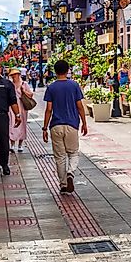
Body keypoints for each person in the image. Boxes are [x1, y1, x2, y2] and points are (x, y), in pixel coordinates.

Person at [42, 60, 88, 194]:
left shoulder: (51, 87)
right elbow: (79, 106)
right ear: (68, 69)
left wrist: (45, 128)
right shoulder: (74, 85)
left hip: (56, 126)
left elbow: (48, 109)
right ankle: (70, 173)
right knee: (73, 153)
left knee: (60, 157)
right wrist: (84, 122)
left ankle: (63, 185)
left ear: (55, 71)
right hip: (71, 124)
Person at [8, 67, 34, 153]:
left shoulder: (24, 84)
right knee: (12, 124)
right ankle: (12, 144)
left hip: (22, 107)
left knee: (22, 125)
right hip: (11, 107)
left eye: (15, 74)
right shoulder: (10, 84)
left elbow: (31, 95)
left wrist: (23, 91)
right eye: (12, 75)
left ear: (19, 75)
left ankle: (20, 144)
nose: (14, 76)